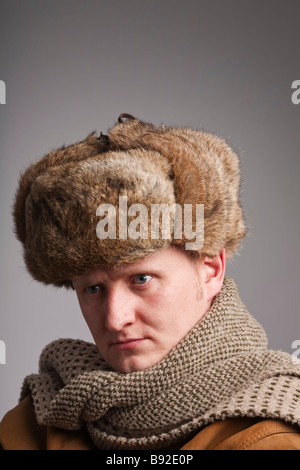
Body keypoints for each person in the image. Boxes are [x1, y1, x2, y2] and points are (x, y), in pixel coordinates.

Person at [1, 114, 300, 450]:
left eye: (141, 279)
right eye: (93, 289)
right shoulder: (32, 424)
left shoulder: (271, 437)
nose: (115, 319)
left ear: (211, 269)